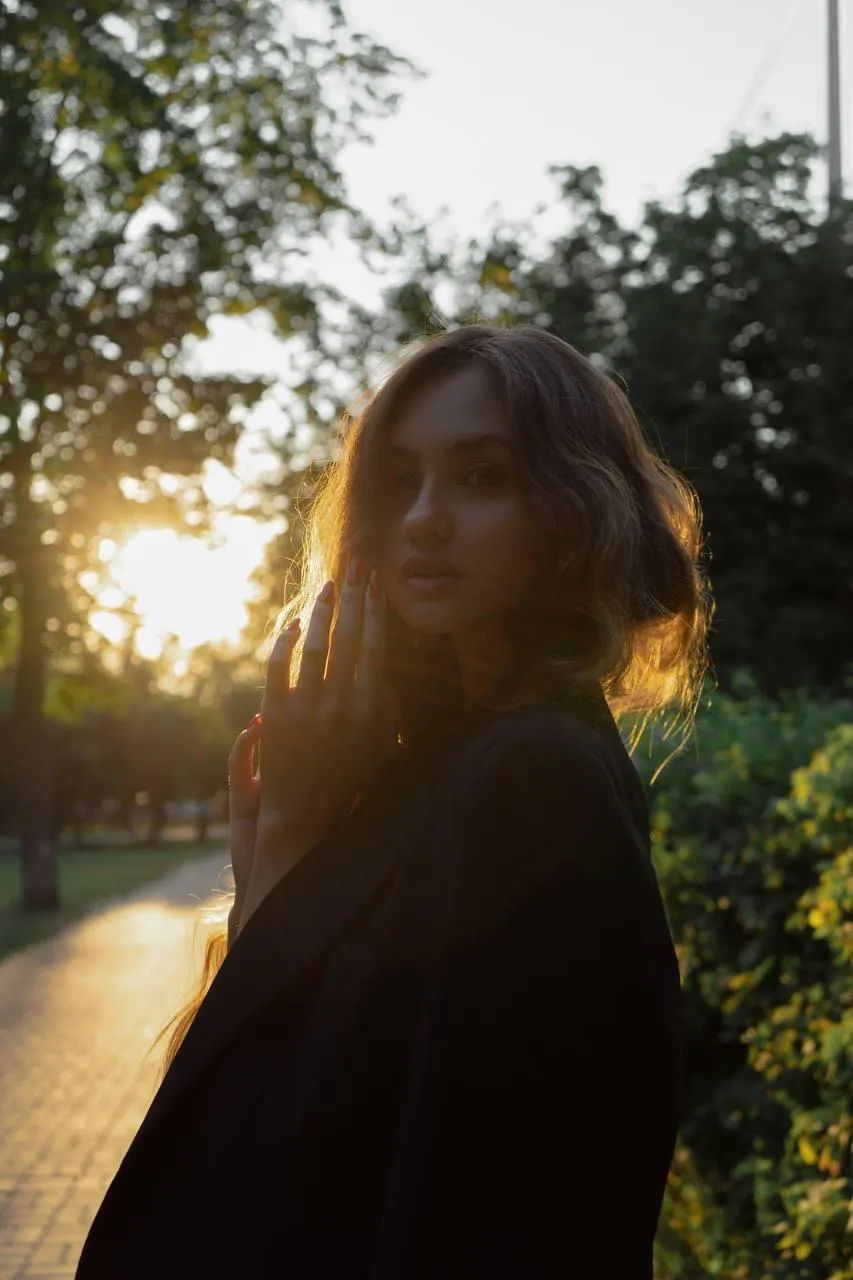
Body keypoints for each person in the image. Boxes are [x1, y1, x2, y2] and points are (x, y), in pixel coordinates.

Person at [75, 322, 712, 1279]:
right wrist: (279, 853)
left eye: (480, 477)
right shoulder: (434, 765)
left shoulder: (533, 776)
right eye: (400, 479)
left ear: (572, 506)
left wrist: (287, 843)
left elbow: (477, 1197)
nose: (423, 518)